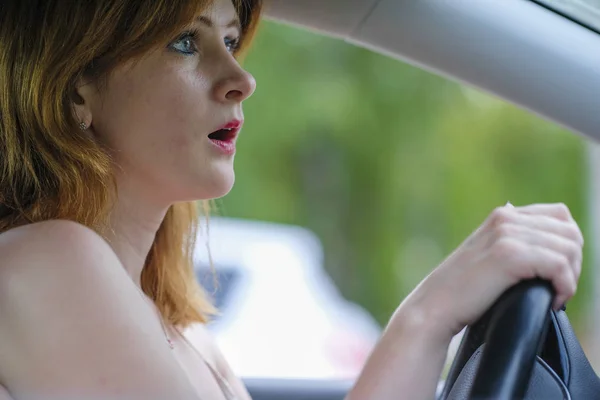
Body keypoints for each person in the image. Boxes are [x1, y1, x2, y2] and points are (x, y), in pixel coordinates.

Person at [0, 0, 584, 399]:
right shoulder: (47, 261)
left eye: (230, 40)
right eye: (185, 41)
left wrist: (427, 318)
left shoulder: (183, 331)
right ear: (78, 87)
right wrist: (429, 313)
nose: (240, 78)